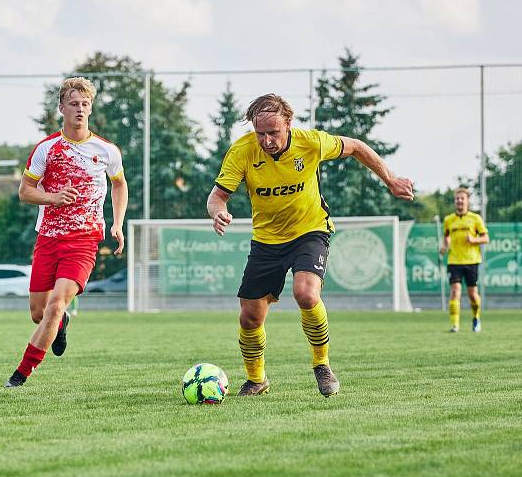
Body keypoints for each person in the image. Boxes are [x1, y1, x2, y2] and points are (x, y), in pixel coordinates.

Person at [207, 93, 414, 397]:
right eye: (259, 133)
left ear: (288, 123)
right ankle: (257, 379)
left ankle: (322, 364)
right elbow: (217, 196)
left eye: (273, 132)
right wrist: (218, 212)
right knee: (250, 316)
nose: (266, 140)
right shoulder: (242, 151)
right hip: (267, 239)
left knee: (305, 293)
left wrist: (391, 179)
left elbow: (357, 147)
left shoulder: (312, 142)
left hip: (310, 230)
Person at [5, 77, 128, 388]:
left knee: (57, 304)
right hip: (48, 238)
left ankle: (20, 375)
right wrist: (53, 198)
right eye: (74, 103)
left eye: (85, 104)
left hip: (84, 241)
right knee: (39, 312)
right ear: (61, 107)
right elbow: (24, 192)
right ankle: (61, 325)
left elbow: (119, 184)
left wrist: (117, 222)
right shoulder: (47, 149)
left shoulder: (107, 150)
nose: (80, 109)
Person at [439, 187, 489, 333]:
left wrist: (474, 240)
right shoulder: (448, 220)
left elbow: (486, 238)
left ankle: (476, 318)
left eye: (462, 198)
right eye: (457, 199)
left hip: (471, 261)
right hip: (454, 260)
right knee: (455, 291)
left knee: (473, 294)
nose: (459, 201)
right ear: (455, 201)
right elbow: (447, 237)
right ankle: (455, 324)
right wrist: (444, 246)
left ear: (467, 201)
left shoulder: (475, 219)